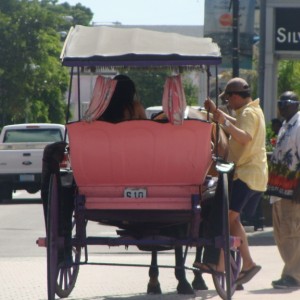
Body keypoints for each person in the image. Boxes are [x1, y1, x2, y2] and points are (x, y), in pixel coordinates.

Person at [202, 77, 268, 286]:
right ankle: (233, 264)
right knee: (231, 220)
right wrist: (217, 114)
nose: (228, 103)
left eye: (229, 98)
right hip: (252, 175)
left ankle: (244, 264)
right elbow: (234, 124)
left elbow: (244, 137)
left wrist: (221, 120)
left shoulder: (249, 113)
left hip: (247, 174)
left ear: (237, 96)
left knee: (227, 219)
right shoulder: (250, 111)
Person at [267, 91, 300, 289]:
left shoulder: (298, 125)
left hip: (293, 191)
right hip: (279, 191)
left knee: (292, 233)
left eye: (287, 102)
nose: (283, 105)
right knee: (280, 234)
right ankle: (292, 271)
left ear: (296, 104)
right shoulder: (286, 125)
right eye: (280, 102)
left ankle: (293, 275)